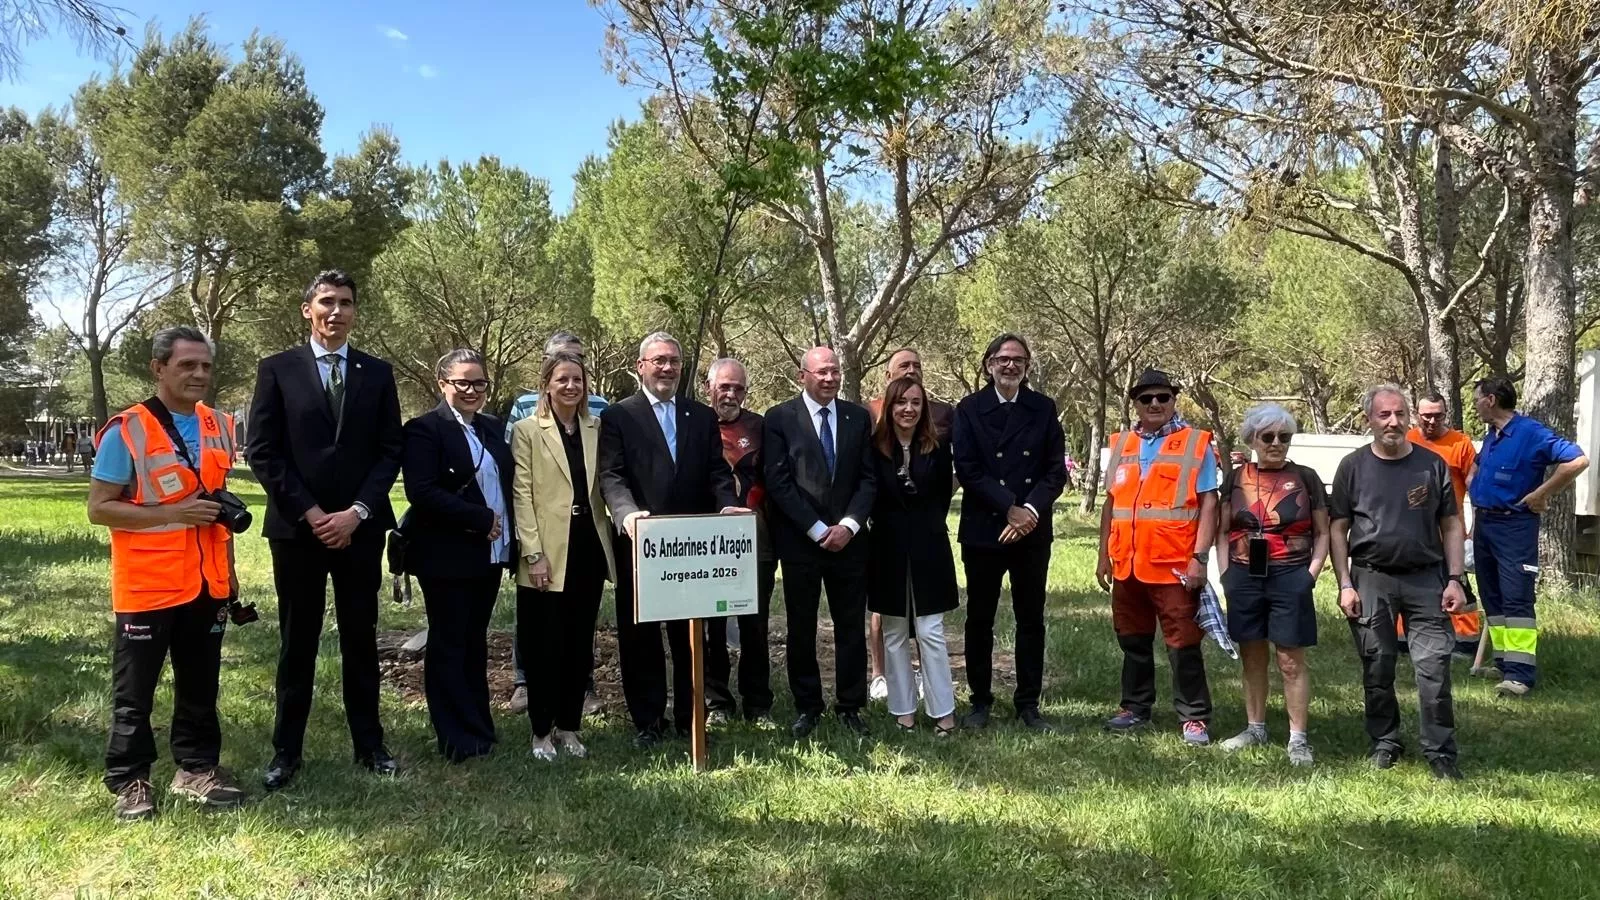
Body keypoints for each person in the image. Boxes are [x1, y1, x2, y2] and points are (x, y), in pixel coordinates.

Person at [246, 269, 404, 791]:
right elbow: (263, 452)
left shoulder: (377, 374)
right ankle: (286, 751)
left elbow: (389, 453)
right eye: (327, 302)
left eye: (347, 303)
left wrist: (356, 512)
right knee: (299, 641)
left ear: (356, 312)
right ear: (307, 310)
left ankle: (371, 745)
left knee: (361, 638)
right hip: (299, 531)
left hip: (359, 529)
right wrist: (313, 514)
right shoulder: (276, 370)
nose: (337, 312)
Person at [85, 326, 246, 821]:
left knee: (201, 685)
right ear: (158, 368)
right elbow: (99, 509)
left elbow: (216, 508)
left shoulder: (219, 424)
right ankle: (130, 781)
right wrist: (172, 517)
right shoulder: (127, 430)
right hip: (148, 585)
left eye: (205, 366)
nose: (199, 374)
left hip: (207, 580)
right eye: (187, 366)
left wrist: (232, 574)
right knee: (136, 692)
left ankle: (197, 769)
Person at [599, 331, 741, 748]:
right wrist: (626, 515)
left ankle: (689, 717)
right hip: (640, 542)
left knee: (690, 636)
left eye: (674, 361)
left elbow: (718, 472)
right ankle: (648, 721)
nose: (667, 368)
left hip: (691, 548)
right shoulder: (619, 416)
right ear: (641, 366)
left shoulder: (700, 416)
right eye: (658, 360)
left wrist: (727, 505)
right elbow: (611, 475)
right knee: (640, 635)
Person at [1329, 384, 1468, 780]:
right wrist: (1344, 583)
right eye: (1384, 415)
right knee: (1377, 664)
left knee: (1434, 668)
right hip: (1371, 578)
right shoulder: (1352, 467)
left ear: (1408, 417)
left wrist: (1455, 579)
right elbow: (1339, 529)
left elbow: (1452, 524)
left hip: (1427, 578)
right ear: (1369, 420)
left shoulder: (1431, 465)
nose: (1393, 422)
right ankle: (1385, 741)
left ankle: (1441, 752)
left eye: (1399, 414)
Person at [400, 349, 515, 762]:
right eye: (462, 382)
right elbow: (422, 491)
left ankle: (479, 726)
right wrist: (478, 518)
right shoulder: (424, 429)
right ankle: (454, 737)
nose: (471, 390)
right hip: (446, 554)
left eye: (479, 383)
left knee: (474, 642)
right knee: (449, 643)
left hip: (488, 555)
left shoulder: (491, 427)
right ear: (442, 383)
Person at [1096, 367, 1220, 744]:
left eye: (1162, 397)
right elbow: (1112, 503)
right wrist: (1103, 555)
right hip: (1128, 564)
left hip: (1175, 565)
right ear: (1134, 403)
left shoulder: (1196, 443)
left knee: (1183, 643)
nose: (1154, 404)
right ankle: (1134, 708)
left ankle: (1194, 717)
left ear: (1173, 401)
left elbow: (1209, 503)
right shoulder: (1120, 444)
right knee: (1132, 639)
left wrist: (1200, 557)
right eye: (1145, 398)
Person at [954, 334, 1067, 732]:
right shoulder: (968, 409)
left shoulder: (1043, 408)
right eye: (1003, 359)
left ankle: (1028, 704)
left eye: (1018, 360)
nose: (1010, 366)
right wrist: (1010, 507)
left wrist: (1030, 510)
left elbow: (1057, 471)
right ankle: (979, 702)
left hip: (1032, 531)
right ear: (988, 365)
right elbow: (968, 469)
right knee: (979, 619)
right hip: (986, 528)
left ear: (1027, 367)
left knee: (1030, 618)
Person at [764, 346, 878, 738]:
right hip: (801, 544)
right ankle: (807, 706)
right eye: (821, 372)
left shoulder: (858, 417)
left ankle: (850, 706)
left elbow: (869, 478)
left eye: (835, 372)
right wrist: (815, 529)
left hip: (850, 544)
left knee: (850, 627)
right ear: (803, 376)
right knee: (801, 627)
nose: (829, 379)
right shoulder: (779, 418)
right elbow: (778, 482)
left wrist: (848, 526)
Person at [512, 351, 617, 760]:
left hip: (588, 545)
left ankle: (570, 727)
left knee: (578, 644)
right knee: (543, 645)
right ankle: (541, 732)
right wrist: (533, 554)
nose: (571, 386)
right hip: (546, 551)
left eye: (577, 379)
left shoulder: (596, 427)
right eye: (562, 379)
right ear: (547, 385)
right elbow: (522, 495)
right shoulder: (527, 430)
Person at [1215, 403, 1328, 766]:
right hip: (1244, 575)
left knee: (1290, 659)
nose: (1276, 443)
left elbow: (1324, 532)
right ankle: (1255, 727)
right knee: (1252, 655)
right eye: (1268, 436)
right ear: (1252, 439)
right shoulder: (1235, 478)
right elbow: (1222, 529)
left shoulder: (1306, 477)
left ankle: (1298, 738)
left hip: (1290, 575)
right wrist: (1225, 573)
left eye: (1284, 436)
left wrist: (1309, 574)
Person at [1468, 376, 1589, 697]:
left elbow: (1578, 460)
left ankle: (1520, 676)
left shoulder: (1530, 432)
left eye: (1477, 398)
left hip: (1514, 527)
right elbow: (1479, 469)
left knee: (1515, 598)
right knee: (1492, 597)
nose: (1475, 404)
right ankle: (1504, 662)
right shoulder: (1492, 435)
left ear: (1491, 400)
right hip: (1484, 524)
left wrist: (1542, 493)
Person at [868, 376, 959, 736]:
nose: (908, 409)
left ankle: (944, 713)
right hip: (886, 548)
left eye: (916, 403)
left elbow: (940, 498)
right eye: (901, 402)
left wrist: (923, 528)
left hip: (929, 547)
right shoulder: (874, 448)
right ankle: (903, 710)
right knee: (892, 631)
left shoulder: (936, 448)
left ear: (924, 409)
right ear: (889, 407)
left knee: (930, 631)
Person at [703, 357, 777, 727]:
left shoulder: (761, 427)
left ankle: (758, 703)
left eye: (738, 388)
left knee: (755, 622)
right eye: (724, 386)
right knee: (713, 624)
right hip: (707, 543)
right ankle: (717, 702)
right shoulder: (695, 426)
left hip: (758, 540)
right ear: (708, 387)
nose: (730, 394)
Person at [1407, 391, 1484, 657]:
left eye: (1437, 415)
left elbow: (1477, 489)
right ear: (1417, 414)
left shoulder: (1461, 444)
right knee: (1410, 583)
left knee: (1458, 582)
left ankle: (1466, 642)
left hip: (1450, 531)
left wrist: (1474, 529)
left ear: (1445, 414)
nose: (1431, 421)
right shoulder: (1408, 440)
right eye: (1426, 415)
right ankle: (1401, 639)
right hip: (1413, 532)